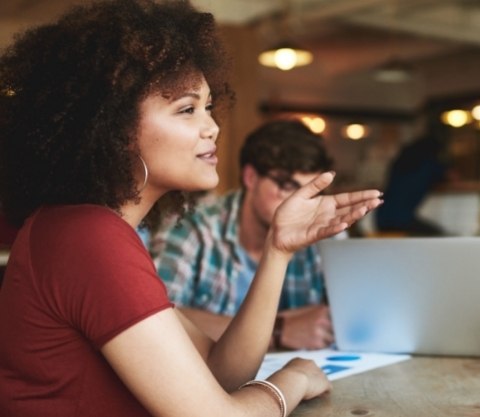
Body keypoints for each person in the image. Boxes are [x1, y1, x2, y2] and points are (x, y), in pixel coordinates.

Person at [0, 1, 382, 416]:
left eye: (208, 106)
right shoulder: (89, 237)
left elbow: (219, 373)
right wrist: (292, 379)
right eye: (187, 109)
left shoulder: (86, 227)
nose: (212, 127)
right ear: (115, 129)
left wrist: (279, 249)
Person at [149, 119, 336, 348]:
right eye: (288, 186)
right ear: (251, 178)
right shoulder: (193, 229)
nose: (300, 204)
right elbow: (156, 320)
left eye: (312, 191)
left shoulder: (325, 236)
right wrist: (280, 330)